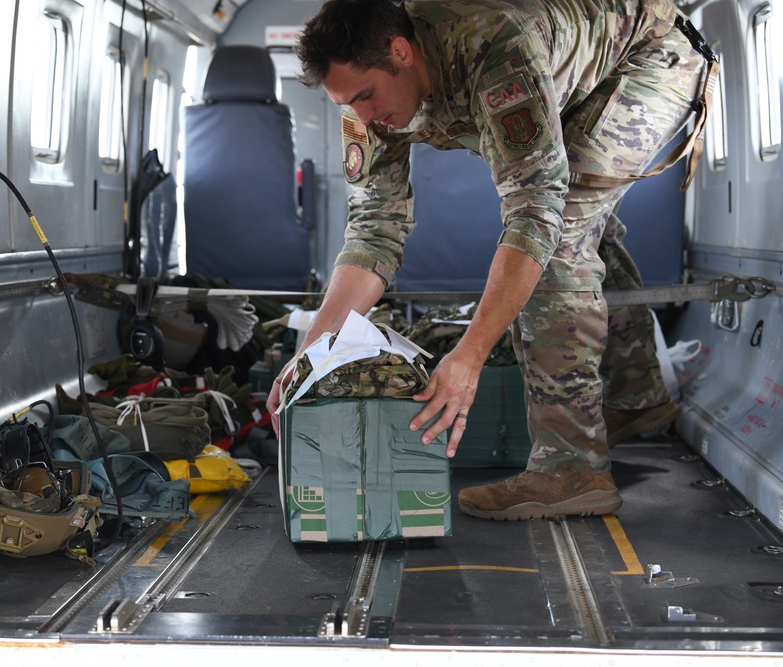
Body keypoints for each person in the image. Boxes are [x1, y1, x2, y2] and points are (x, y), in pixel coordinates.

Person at [266, 0, 718, 520]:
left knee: (561, 229)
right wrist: (313, 354)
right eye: (346, 103)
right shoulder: (363, 104)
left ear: (401, 52)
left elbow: (534, 212)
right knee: (572, 217)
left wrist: (469, 356)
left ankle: (571, 469)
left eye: (366, 96)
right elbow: (374, 229)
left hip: (651, 57)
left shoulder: (494, 46)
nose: (363, 117)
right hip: (571, 65)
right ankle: (637, 394)